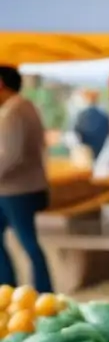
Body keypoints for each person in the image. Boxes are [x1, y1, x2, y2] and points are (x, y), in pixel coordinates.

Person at [0, 66, 54, 293]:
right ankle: (8, 289)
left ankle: (43, 293)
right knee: (27, 242)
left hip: (16, 190)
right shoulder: (25, 107)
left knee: (29, 243)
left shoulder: (15, 111)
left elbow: (11, 156)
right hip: (21, 188)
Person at [71, 89, 109, 161]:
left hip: (86, 153)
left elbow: (75, 131)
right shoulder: (103, 115)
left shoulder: (82, 115)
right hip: (98, 151)